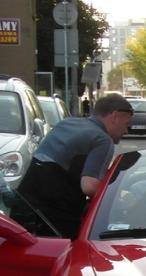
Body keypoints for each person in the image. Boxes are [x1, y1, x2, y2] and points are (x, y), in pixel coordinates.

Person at [16, 93, 135, 237]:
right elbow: (89, 186)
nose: (126, 131)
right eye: (126, 124)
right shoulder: (102, 140)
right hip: (57, 220)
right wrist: (117, 201)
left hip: (23, 209)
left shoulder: (66, 123)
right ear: (115, 116)